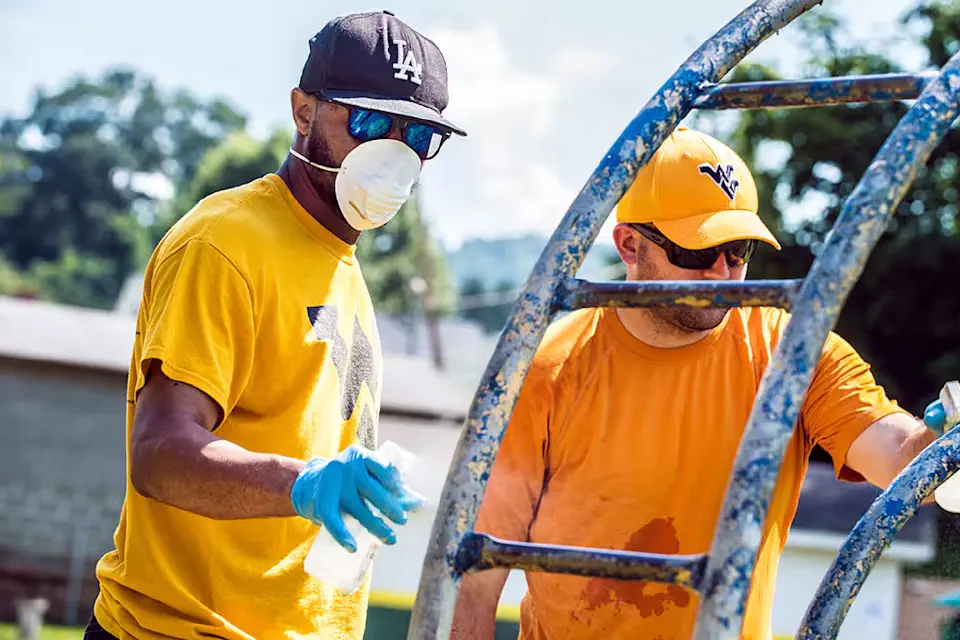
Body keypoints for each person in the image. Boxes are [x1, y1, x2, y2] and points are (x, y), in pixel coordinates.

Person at [451, 127, 937, 640]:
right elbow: (476, 579)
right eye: (698, 252)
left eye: (738, 249)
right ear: (629, 243)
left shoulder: (794, 354)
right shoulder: (547, 366)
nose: (723, 272)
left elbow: (901, 458)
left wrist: (943, 434)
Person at [85, 10, 466, 640]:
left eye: (418, 136)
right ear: (303, 111)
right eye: (370, 123)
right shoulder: (225, 242)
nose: (394, 155)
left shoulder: (343, 267)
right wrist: (305, 483)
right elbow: (158, 454)